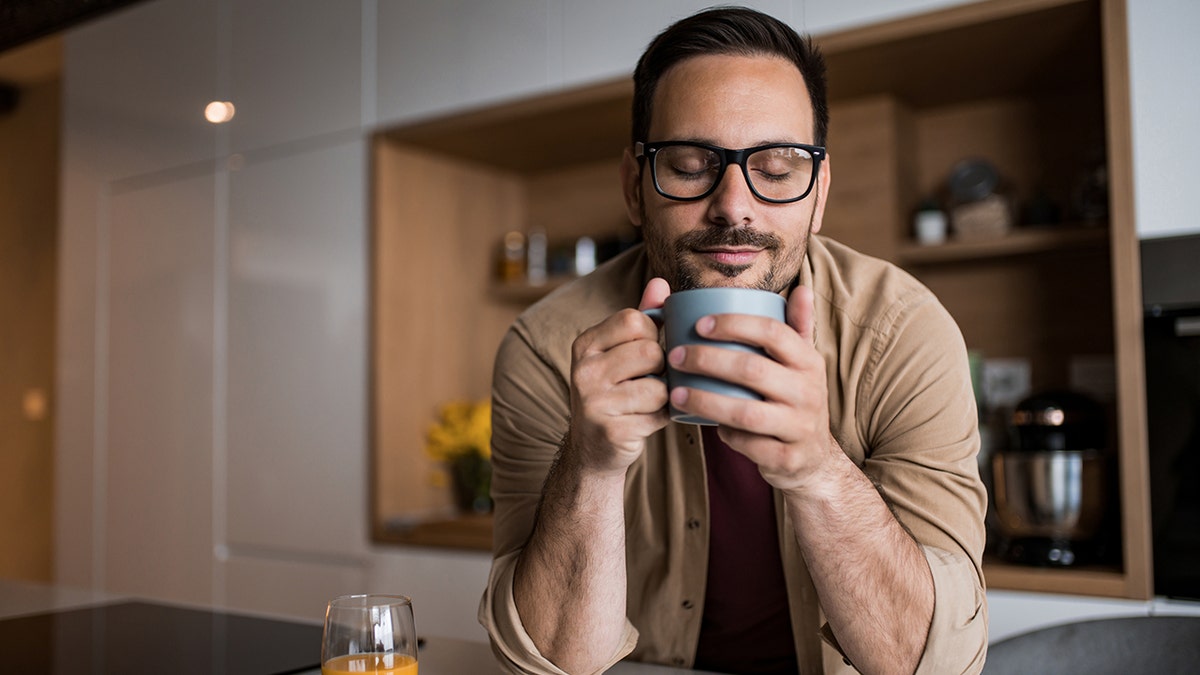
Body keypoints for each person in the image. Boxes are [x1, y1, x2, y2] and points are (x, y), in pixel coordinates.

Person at [479, 7, 987, 675]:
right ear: (636, 187)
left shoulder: (903, 334)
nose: (734, 206)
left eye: (776, 170)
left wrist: (819, 471)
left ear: (819, 192)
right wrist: (592, 465)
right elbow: (546, 666)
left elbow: (938, 666)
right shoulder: (550, 349)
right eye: (690, 165)